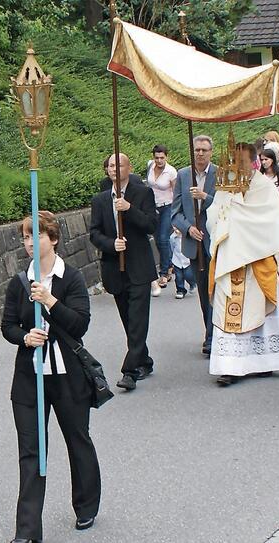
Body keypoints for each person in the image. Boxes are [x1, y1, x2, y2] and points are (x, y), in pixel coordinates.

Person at [2, 211, 101, 543]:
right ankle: (28, 532)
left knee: (77, 439)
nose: (29, 243)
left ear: (53, 239)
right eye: (25, 237)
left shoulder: (70, 278)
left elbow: (79, 324)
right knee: (31, 450)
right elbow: (8, 326)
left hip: (66, 375)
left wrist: (50, 301)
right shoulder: (19, 282)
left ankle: (86, 505)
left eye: (36, 236)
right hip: (30, 378)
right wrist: (24, 337)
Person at [206, 141, 279, 386]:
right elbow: (213, 217)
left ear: (253, 162)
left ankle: (264, 362)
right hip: (231, 262)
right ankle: (229, 367)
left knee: (262, 313)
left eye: (242, 161)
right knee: (229, 313)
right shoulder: (225, 187)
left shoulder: (265, 188)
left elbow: (274, 223)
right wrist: (226, 219)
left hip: (258, 263)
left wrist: (239, 221)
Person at [89, 153, 159, 391]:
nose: (114, 169)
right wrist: (111, 244)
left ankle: (129, 371)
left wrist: (129, 209)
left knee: (138, 320)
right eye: (110, 165)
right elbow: (94, 233)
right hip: (114, 268)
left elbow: (151, 224)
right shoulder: (99, 200)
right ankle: (144, 360)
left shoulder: (143, 193)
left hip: (139, 266)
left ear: (129, 168)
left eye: (119, 164)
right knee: (129, 321)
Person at [172, 135, 218, 355]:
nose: (200, 154)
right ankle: (209, 332)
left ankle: (214, 336)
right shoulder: (183, 175)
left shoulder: (219, 173)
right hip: (195, 243)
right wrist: (188, 228)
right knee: (203, 292)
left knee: (216, 290)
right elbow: (175, 212)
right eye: (197, 150)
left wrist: (205, 196)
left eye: (204, 150)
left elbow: (229, 205)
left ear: (211, 152)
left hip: (217, 242)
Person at [146, 144, 178, 297]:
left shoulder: (171, 172)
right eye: (157, 157)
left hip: (167, 207)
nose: (159, 161)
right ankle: (170, 264)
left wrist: (177, 212)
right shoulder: (150, 166)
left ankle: (164, 273)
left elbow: (176, 192)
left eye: (162, 158)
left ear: (167, 157)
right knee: (157, 239)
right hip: (154, 207)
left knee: (164, 239)